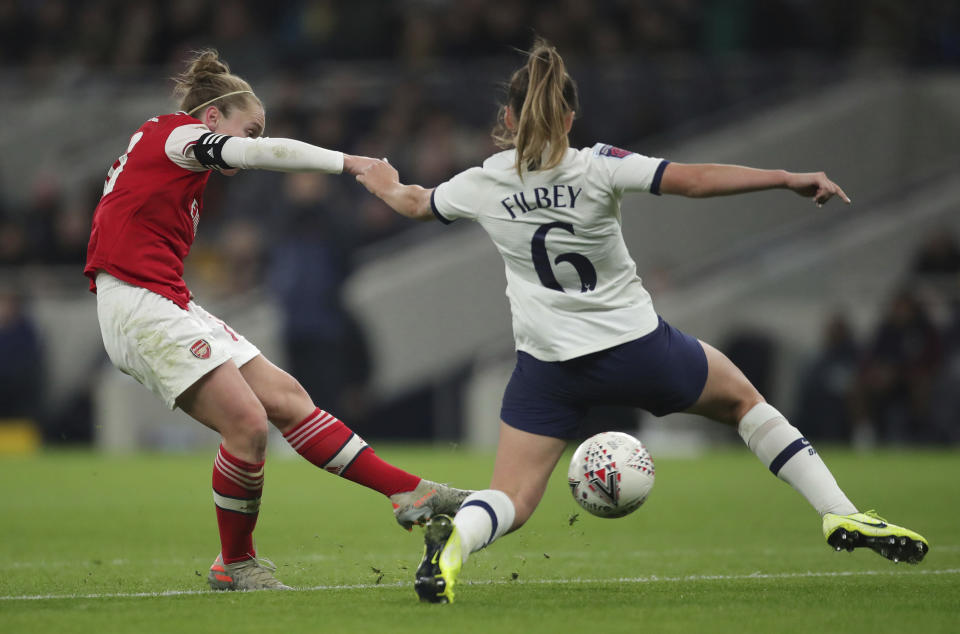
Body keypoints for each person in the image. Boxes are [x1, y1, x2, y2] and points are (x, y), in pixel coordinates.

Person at [355, 39, 930, 604]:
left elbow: (414, 201)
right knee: (744, 404)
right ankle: (840, 514)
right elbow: (696, 180)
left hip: (549, 368)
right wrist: (785, 177)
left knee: (512, 497)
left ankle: (454, 545)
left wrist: (384, 181)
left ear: (506, 116)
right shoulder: (599, 165)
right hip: (637, 349)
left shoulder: (483, 182)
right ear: (571, 117)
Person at [83, 50, 470, 592]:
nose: (255, 139)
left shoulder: (177, 161)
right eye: (251, 126)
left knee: (287, 399)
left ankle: (409, 492)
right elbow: (264, 154)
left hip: (168, 300)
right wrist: (350, 162)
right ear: (213, 118)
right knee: (246, 425)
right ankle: (235, 565)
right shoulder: (175, 135)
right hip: (136, 303)